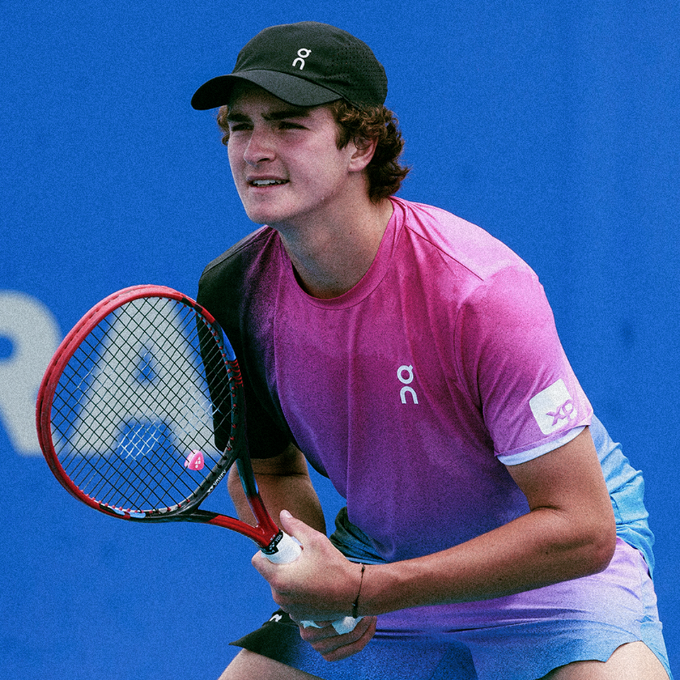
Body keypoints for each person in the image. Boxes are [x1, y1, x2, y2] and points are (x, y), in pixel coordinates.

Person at [191, 21, 672, 680]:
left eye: (289, 124)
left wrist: (365, 588)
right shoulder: (235, 292)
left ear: (361, 144)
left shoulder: (479, 290)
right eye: (240, 126)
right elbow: (270, 466)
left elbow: (581, 528)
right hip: (380, 560)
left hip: (552, 578)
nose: (255, 150)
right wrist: (309, 569)